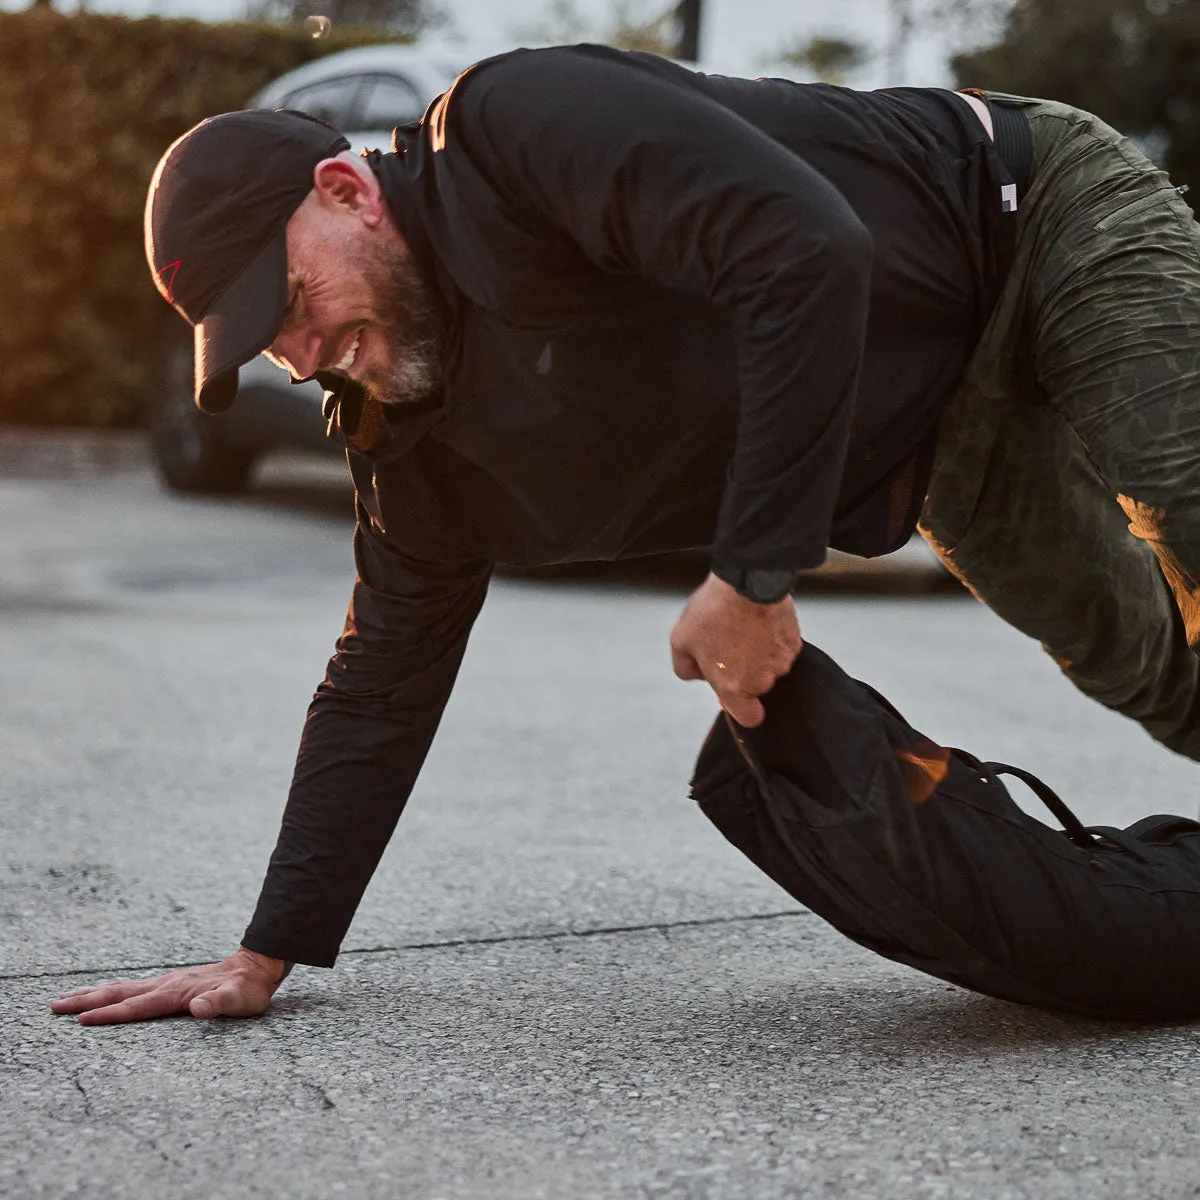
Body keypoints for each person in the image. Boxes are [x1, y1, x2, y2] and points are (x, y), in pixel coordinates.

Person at [51, 44, 1200, 1025]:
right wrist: (268, 948)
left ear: (347, 190)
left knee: (1185, 496)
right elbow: (380, 681)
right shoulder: (409, 440)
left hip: (1024, 217)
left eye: (292, 301)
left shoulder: (513, 131)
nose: (300, 357)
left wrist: (751, 577)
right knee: (1133, 653)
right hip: (930, 432)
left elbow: (806, 246)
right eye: (267, 344)